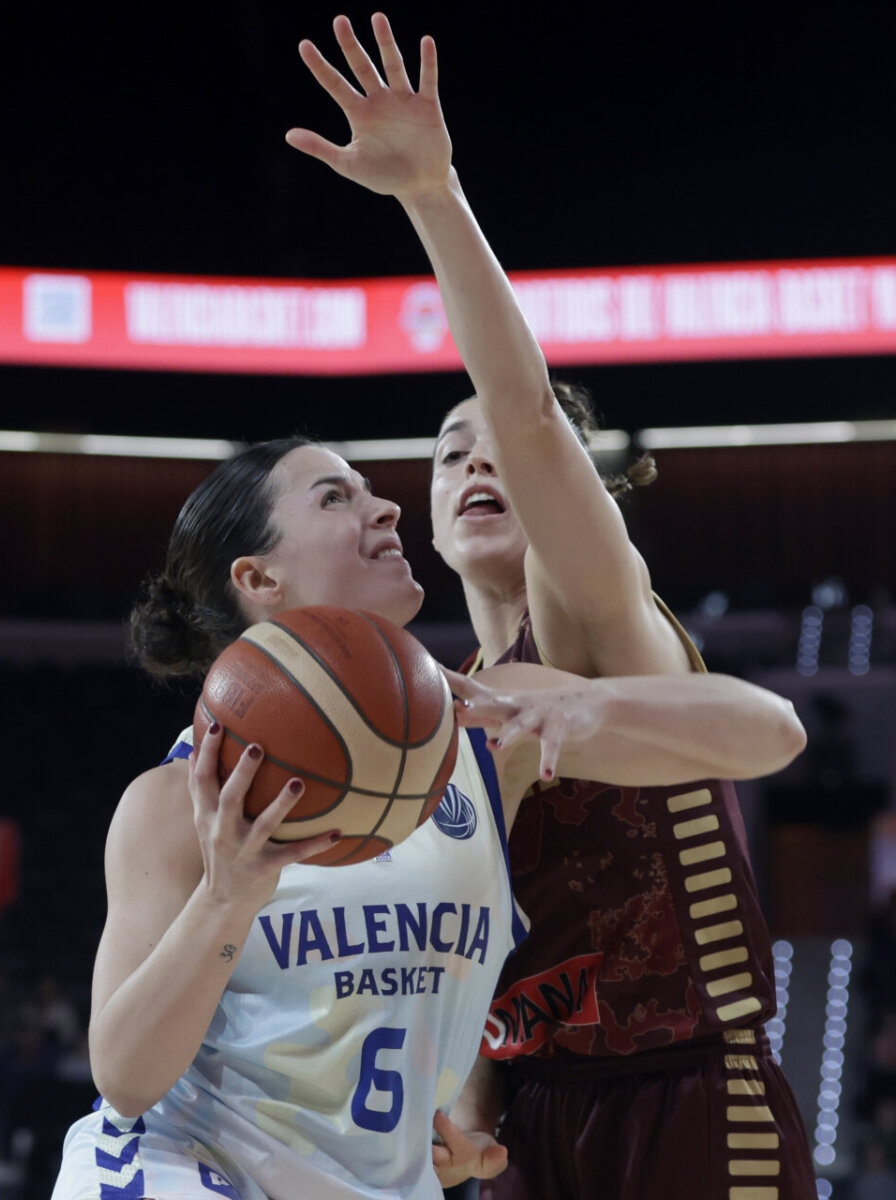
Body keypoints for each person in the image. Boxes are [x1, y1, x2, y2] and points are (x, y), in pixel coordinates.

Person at [293, 12, 819, 1199]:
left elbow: (526, 414)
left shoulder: (587, 618)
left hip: (684, 1101)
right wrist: (460, 1113)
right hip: (531, 1121)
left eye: (496, 452)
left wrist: (432, 197)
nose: (475, 462)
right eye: (443, 454)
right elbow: (478, 954)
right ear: (422, 520)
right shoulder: (432, 704)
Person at [50, 422, 806, 1196]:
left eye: (374, 491)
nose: (387, 510)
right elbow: (127, 1081)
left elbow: (770, 733)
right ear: (261, 577)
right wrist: (224, 900)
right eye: (336, 497)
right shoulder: (179, 800)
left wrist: (597, 702)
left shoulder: (481, 724)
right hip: (184, 1174)